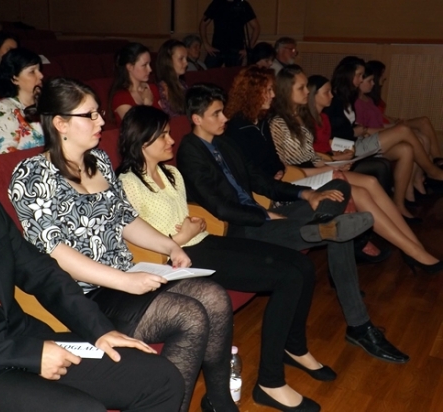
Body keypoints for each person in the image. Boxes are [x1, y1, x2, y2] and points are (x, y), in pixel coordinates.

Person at [0, 112, 184, 412]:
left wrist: (100, 330)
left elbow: (43, 274)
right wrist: (28, 355)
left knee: (160, 378)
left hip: (29, 341)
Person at [9, 77, 234, 412]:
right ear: (60, 123)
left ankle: (219, 401)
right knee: (189, 316)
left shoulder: (98, 160)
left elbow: (126, 219)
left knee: (214, 297)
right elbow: (54, 251)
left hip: (124, 278)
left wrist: (170, 246)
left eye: (99, 113)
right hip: (80, 296)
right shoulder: (32, 175)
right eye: (90, 115)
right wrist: (125, 281)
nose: (101, 121)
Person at [177, 83, 410, 368]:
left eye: (223, 111)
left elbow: (261, 181)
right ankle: (360, 326)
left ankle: (323, 224)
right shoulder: (190, 153)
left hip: (263, 215)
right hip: (242, 228)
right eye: (216, 114)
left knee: (338, 187)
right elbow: (221, 208)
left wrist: (306, 194)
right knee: (339, 232)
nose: (225, 118)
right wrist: (265, 216)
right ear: (197, 119)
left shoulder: (224, 142)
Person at [118, 104, 334, 412]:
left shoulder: (173, 174)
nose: (171, 140)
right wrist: (181, 237)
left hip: (204, 243)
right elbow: (137, 243)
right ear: (142, 141)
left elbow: (181, 218)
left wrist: (194, 224)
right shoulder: (128, 183)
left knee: (301, 264)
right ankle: (270, 383)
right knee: (287, 277)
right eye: (163, 135)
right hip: (179, 261)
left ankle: (295, 348)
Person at [269, 66, 443, 273]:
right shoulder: (278, 123)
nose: (307, 91)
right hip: (295, 181)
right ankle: (412, 250)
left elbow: (310, 155)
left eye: (307, 86)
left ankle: (414, 246)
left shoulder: (299, 115)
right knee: (362, 189)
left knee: (371, 182)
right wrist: (329, 165)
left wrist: (332, 161)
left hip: (313, 172)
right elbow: (291, 164)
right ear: (286, 91)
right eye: (301, 88)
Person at [324, 57, 443, 218]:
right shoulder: (335, 99)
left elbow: (348, 125)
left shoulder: (348, 97)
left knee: (406, 149)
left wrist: (358, 129)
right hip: (347, 147)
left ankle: (399, 204)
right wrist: (355, 132)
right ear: (348, 74)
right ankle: (433, 171)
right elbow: (334, 132)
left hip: (357, 141)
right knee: (404, 130)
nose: (361, 79)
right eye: (359, 75)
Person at [367, 59, 443, 167]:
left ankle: (437, 159)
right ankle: (436, 164)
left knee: (424, 122)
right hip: (384, 128)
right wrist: (394, 124)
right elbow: (371, 122)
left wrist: (394, 119)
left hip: (389, 123)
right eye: (382, 74)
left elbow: (380, 114)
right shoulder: (365, 97)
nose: (384, 77)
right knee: (420, 128)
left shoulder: (373, 96)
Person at [0, 48, 44, 155]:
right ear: (14, 79)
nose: (41, 75)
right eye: (32, 72)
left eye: (39, 70)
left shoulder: (47, 102)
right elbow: (3, 154)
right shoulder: (3, 108)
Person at [109, 42, 161, 125]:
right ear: (129, 67)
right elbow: (136, 127)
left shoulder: (152, 88)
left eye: (149, 64)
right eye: (144, 65)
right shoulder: (121, 97)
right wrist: (147, 105)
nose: (150, 69)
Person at [199, 0, 260, 68]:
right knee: (207, 72)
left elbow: (256, 27)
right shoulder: (217, 3)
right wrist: (206, 44)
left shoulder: (243, 5)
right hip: (217, 48)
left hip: (236, 50)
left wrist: (248, 49)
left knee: (235, 74)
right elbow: (203, 24)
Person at [156, 39, 188, 118]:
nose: (186, 63)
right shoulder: (162, 88)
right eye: (181, 59)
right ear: (168, 61)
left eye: (186, 59)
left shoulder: (183, 84)